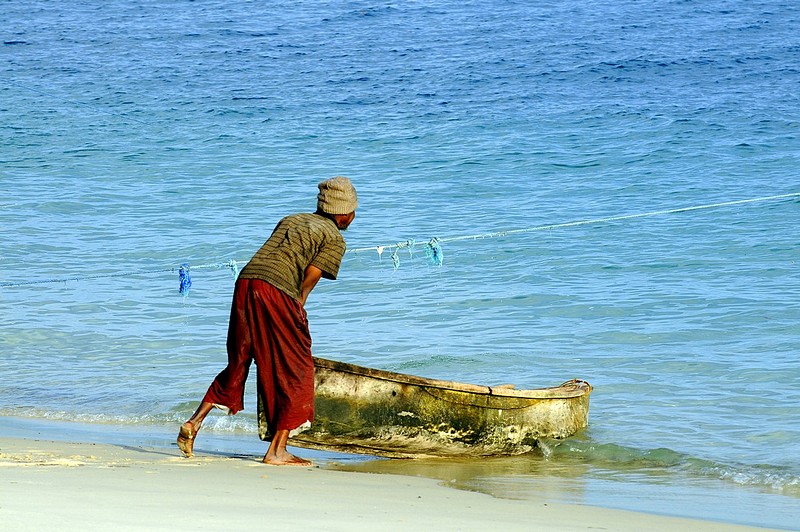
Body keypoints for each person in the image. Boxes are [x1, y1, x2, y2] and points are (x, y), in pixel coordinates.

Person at [177, 176, 357, 466]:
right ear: (344, 212)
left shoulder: (292, 219)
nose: (353, 217)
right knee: (296, 366)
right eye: (353, 212)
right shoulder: (334, 237)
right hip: (276, 291)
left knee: (240, 357)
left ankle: (194, 422)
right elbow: (310, 276)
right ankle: (277, 452)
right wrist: (298, 307)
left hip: (247, 282)